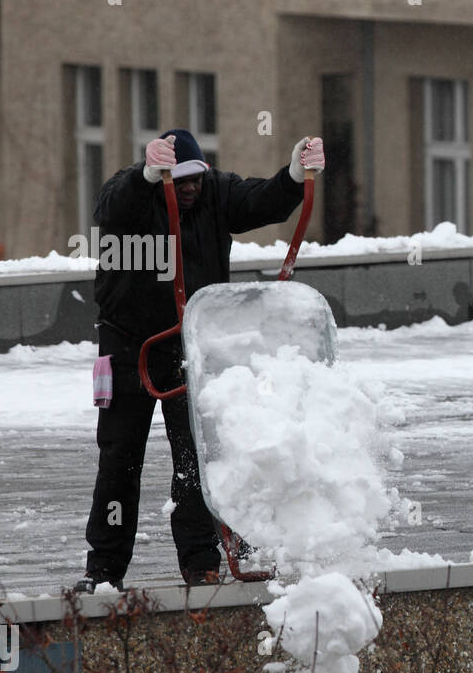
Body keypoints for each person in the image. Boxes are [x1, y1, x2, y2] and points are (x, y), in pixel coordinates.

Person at [72, 129, 325, 592]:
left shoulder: (215, 193)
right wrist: (145, 176)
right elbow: (111, 207)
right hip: (128, 346)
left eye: (195, 179)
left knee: (196, 459)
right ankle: (103, 571)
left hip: (189, 347)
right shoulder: (134, 196)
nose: (189, 188)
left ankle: (200, 561)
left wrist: (293, 175)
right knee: (119, 461)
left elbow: (261, 201)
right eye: (179, 180)